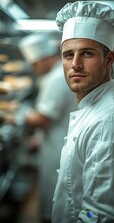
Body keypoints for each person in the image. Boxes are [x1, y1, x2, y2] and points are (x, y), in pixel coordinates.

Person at [51, 1, 114, 223]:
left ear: (109, 59)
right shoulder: (92, 109)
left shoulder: (110, 122)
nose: (75, 64)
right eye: (68, 55)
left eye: (87, 54)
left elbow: (99, 214)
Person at [18, 31, 76, 223]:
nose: (34, 69)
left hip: (57, 149)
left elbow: (43, 119)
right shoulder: (55, 75)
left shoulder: (56, 79)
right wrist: (38, 138)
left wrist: (19, 114)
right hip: (55, 142)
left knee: (54, 203)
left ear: (43, 58)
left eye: (34, 64)